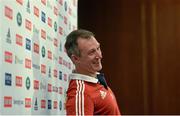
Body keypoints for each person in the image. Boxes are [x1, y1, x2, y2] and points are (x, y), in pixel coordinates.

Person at [65, 29, 120, 115]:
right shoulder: (80, 93)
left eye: (98, 48)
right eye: (91, 52)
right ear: (75, 58)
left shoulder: (96, 80)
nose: (99, 55)